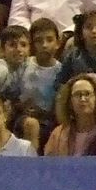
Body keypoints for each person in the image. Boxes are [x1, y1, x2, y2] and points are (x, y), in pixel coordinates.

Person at [43, 74, 96, 156]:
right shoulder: (58, 134)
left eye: (87, 94)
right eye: (77, 94)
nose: (83, 99)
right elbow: (48, 165)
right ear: (69, 102)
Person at [16, 17, 63, 149]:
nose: (44, 45)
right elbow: (12, 95)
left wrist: (43, 112)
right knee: (31, 124)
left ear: (58, 43)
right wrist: (21, 106)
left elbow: (61, 107)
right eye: (38, 41)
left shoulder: (61, 71)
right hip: (22, 118)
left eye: (49, 40)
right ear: (32, 44)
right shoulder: (24, 65)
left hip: (50, 121)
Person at [55, 9, 96, 94]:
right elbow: (58, 84)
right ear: (81, 32)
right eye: (88, 27)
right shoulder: (73, 56)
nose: (94, 31)